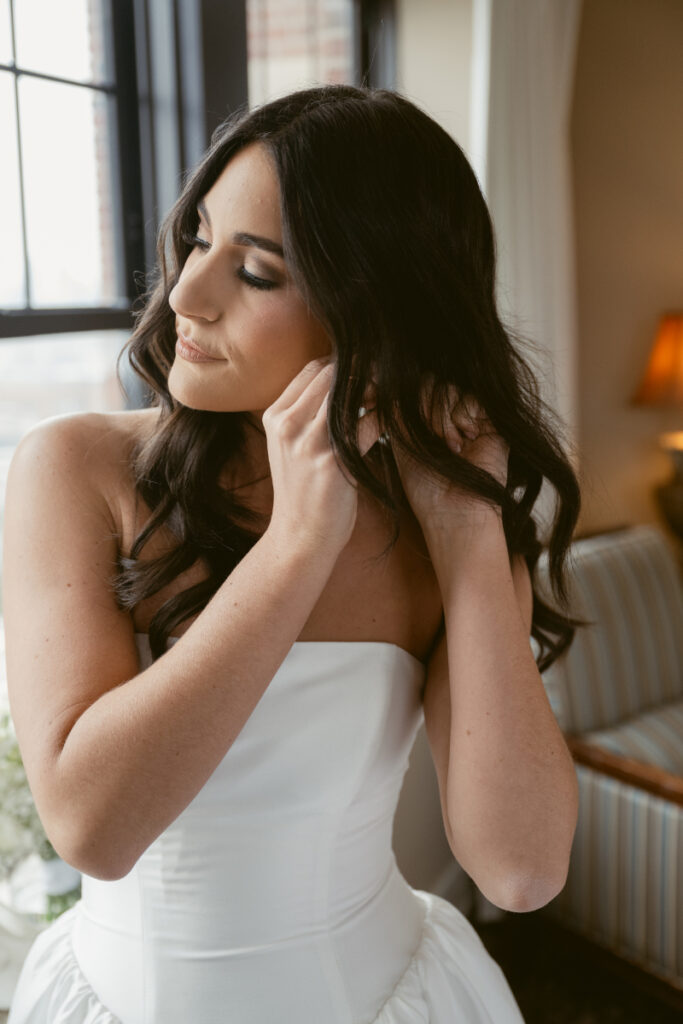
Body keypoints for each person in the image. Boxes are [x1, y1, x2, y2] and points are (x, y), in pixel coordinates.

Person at [4, 84, 582, 1023]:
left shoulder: (442, 530)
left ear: (380, 310)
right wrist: (298, 546)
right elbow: (92, 829)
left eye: (258, 272)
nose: (187, 293)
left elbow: (518, 871)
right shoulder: (78, 469)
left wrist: (469, 535)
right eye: (198, 240)